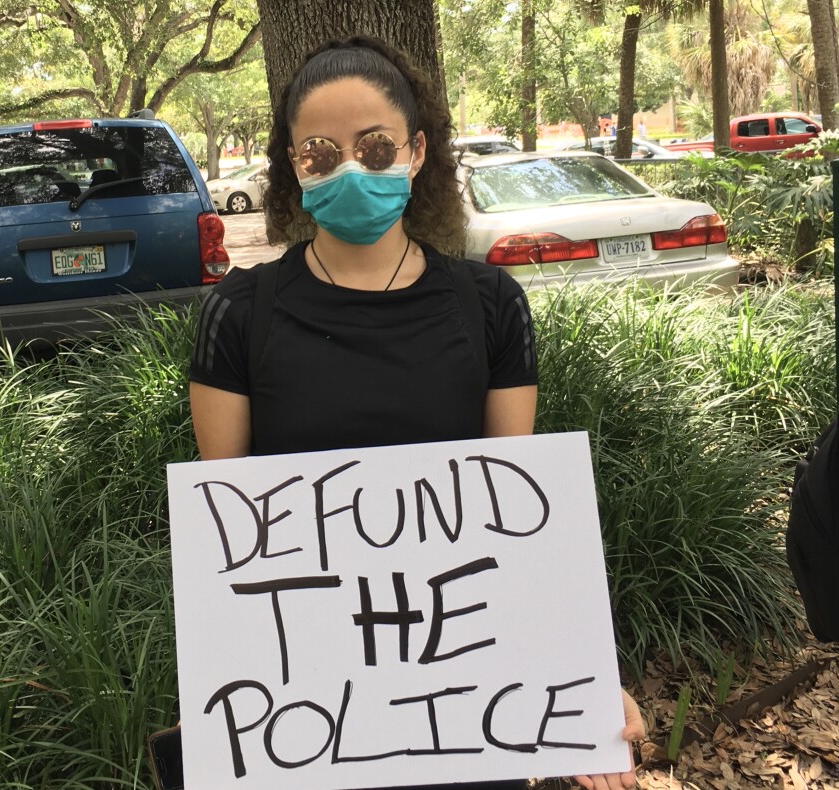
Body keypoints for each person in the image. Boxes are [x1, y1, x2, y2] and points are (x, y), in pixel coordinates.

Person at [189, 34, 643, 790]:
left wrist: (580, 680)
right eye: (320, 154)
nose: (348, 170)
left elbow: (514, 528)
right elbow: (229, 544)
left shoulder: (492, 305)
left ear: (418, 150)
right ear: (293, 166)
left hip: (465, 716)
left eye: (373, 148)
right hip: (305, 721)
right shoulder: (238, 315)